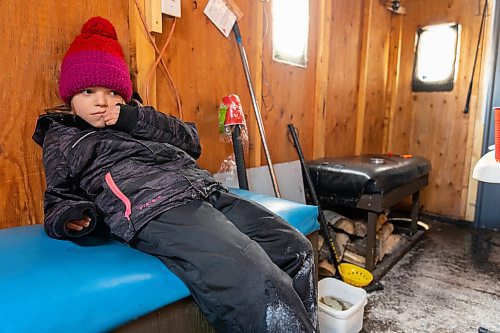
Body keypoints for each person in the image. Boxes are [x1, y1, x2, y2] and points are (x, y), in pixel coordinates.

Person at [33, 16, 317, 333]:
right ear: (69, 96)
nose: (101, 101)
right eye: (88, 91)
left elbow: (191, 141)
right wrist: (73, 216)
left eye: (112, 91)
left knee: (296, 248)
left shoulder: (136, 116)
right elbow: (57, 198)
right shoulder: (63, 138)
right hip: (156, 207)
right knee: (254, 276)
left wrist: (132, 117)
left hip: (206, 191)